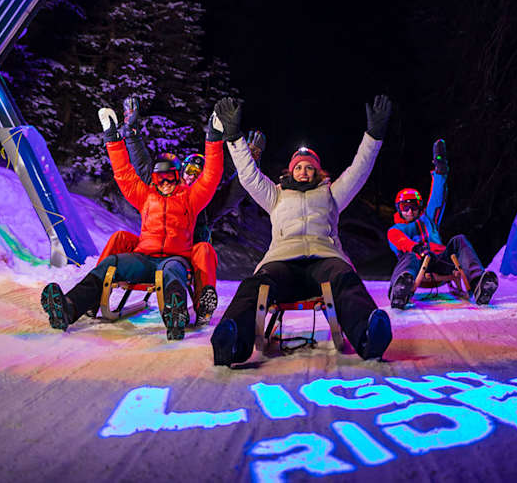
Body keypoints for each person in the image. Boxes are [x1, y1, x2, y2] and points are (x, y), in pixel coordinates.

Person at [209, 95, 395, 365]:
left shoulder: (331, 195)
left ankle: (367, 331)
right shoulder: (276, 195)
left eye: (310, 168)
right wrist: (235, 138)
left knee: (344, 276)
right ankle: (232, 339)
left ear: (318, 172)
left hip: (324, 260)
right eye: (299, 167)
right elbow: (249, 176)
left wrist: (374, 137)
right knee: (255, 284)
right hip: (282, 262)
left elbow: (359, 171)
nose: (304, 171)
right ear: (291, 170)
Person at [40, 97, 223, 339]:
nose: (165, 182)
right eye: (160, 178)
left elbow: (211, 174)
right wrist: (112, 139)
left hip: (176, 258)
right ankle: (69, 306)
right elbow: (124, 173)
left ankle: (175, 316)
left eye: (170, 177)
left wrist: (214, 139)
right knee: (110, 264)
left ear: (178, 177)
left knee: (172, 272)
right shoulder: (146, 196)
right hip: (144, 259)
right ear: (154, 179)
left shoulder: (191, 198)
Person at [94, 97, 222, 324]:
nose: (192, 174)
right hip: (151, 251)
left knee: (202, 249)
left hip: (184, 256)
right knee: (121, 237)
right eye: (189, 169)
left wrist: (222, 143)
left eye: (197, 171)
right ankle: (93, 291)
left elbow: (221, 182)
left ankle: (201, 302)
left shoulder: (200, 198)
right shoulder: (158, 191)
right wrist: (130, 134)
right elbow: (138, 170)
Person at [387, 139, 498, 308]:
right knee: (408, 256)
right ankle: (400, 289)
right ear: (399, 209)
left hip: (441, 262)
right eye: (405, 207)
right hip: (416, 266)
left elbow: (437, 197)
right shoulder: (395, 230)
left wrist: (440, 169)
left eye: (414, 206)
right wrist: (417, 248)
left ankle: (478, 282)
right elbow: (401, 242)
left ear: (420, 207)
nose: (410, 211)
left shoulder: (427, 219)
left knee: (459, 240)